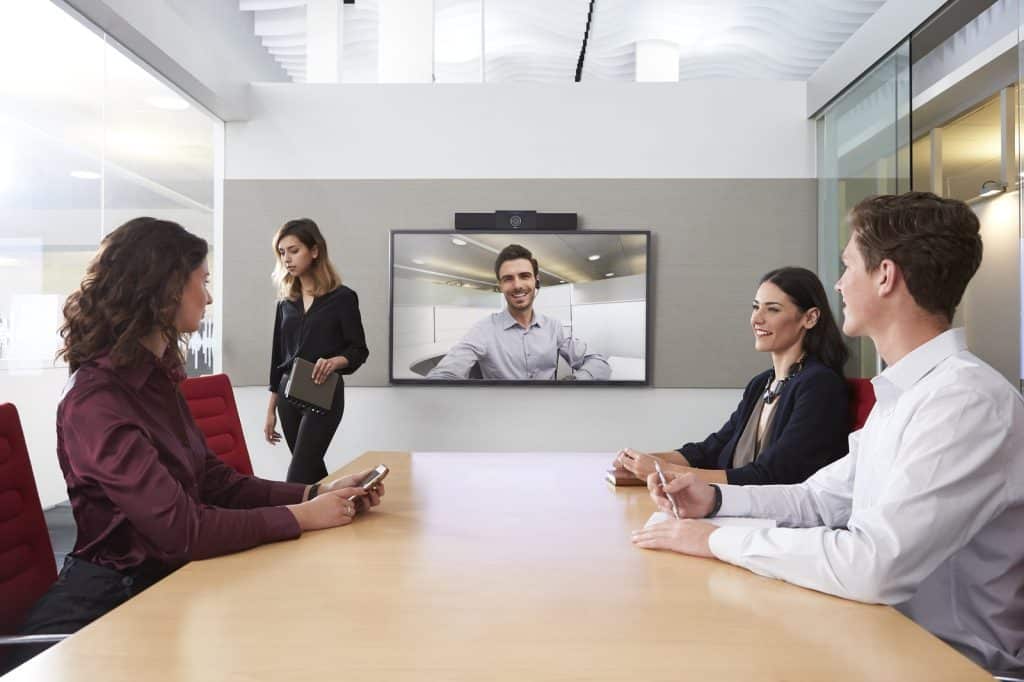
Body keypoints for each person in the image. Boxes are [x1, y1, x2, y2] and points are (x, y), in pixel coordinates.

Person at [633, 192, 1024, 677]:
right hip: (878, 637)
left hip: (947, 663)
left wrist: (713, 541)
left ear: (885, 275)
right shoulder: (906, 394)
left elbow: (874, 563)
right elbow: (818, 499)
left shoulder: (965, 401)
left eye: (848, 266)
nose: (838, 284)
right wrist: (711, 500)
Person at [9, 218, 383, 671]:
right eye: (201, 283)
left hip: (175, 583)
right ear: (163, 288)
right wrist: (301, 517)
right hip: (108, 609)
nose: (207, 297)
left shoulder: (156, 379)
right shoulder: (98, 400)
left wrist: (313, 493)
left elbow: (213, 481)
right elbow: (182, 529)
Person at [614, 266, 849, 485]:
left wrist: (664, 472)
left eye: (773, 309)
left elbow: (773, 475)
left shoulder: (820, 385)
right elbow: (712, 449)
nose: (757, 319)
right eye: (756, 307)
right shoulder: (761, 384)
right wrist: (640, 461)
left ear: (810, 318)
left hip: (781, 524)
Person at [265, 218, 369, 484]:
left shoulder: (343, 298)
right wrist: (270, 410)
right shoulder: (286, 302)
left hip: (324, 391)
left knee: (297, 474)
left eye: (294, 250)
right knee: (310, 472)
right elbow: (278, 357)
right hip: (288, 394)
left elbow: (359, 350)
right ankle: (347, 504)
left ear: (314, 250)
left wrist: (335, 361)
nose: (287, 258)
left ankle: (289, 522)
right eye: (282, 252)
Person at [426, 243, 611, 380]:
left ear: (535, 281)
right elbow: (445, 373)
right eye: (508, 279)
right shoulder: (483, 330)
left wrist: (577, 380)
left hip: (550, 413)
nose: (517, 285)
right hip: (501, 418)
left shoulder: (553, 327)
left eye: (524, 276)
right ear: (500, 285)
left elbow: (599, 362)